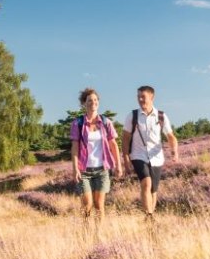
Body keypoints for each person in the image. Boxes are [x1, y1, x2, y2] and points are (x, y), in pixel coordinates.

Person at [124, 84, 178, 217]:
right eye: (138, 97)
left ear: (152, 97)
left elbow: (170, 136)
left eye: (143, 97)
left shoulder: (161, 116)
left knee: (154, 190)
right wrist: (126, 159)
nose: (140, 100)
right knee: (146, 184)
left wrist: (174, 151)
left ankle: (150, 217)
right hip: (138, 155)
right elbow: (125, 139)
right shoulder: (132, 116)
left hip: (157, 157)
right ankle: (148, 215)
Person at [68, 88, 120, 222]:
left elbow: (113, 144)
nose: (93, 102)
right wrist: (75, 169)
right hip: (84, 170)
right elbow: (75, 148)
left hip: (102, 169)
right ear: (84, 103)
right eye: (90, 100)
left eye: (95, 100)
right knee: (87, 204)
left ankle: (98, 236)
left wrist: (118, 165)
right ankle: (85, 234)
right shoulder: (78, 123)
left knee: (99, 205)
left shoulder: (106, 122)